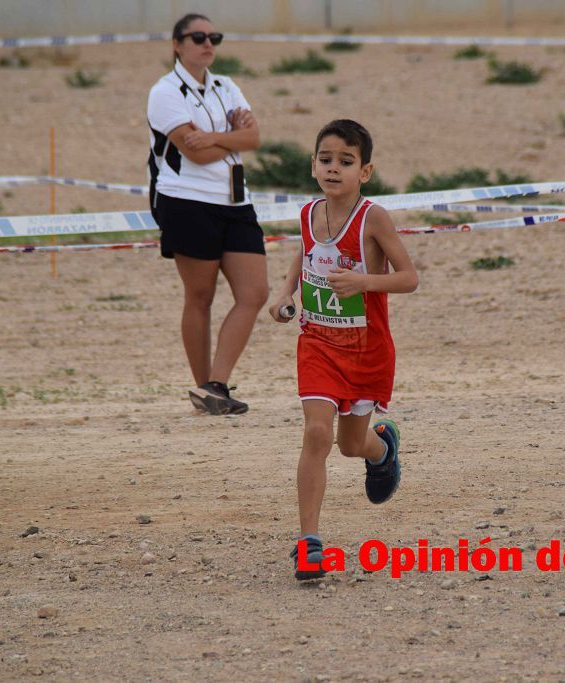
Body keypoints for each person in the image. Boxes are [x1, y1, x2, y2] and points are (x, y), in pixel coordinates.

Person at [269, 119, 419, 580]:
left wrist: (364, 282)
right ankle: (309, 544)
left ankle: (381, 451)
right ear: (313, 164)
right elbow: (306, 251)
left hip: (365, 348)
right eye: (326, 159)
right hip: (317, 343)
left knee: (350, 444)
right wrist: (285, 293)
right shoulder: (308, 211)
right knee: (317, 434)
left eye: (346, 162)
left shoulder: (373, 217)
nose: (334, 169)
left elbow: (409, 278)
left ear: (365, 171)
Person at [147, 13, 268, 415]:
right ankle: (206, 388)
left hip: (235, 201)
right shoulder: (164, 92)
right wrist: (230, 140)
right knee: (200, 296)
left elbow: (252, 138)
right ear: (177, 45)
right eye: (197, 36)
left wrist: (216, 136)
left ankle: (215, 383)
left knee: (254, 293)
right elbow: (193, 153)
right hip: (187, 201)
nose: (207, 42)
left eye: (213, 36)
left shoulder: (227, 86)